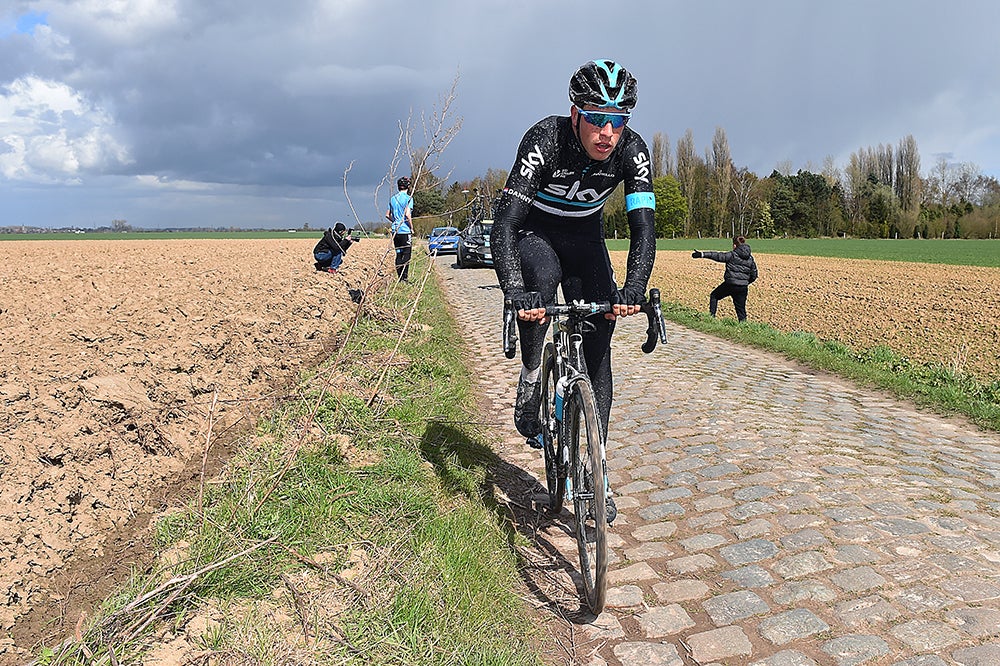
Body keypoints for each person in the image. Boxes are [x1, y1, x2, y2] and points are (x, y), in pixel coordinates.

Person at [492, 58, 656, 508]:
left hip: (585, 238)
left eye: (618, 121)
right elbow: (505, 226)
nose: (607, 132)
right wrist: (513, 289)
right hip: (536, 234)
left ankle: (593, 465)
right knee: (539, 284)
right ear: (575, 114)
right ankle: (530, 378)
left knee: (600, 340)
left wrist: (634, 287)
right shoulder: (544, 140)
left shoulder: (632, 151)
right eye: (598, 119)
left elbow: (643, 227)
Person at [691, 236, 758, 321]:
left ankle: (711, 319)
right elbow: (754, 275)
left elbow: (717, 256)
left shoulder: (732, 255)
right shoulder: (750, 258)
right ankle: (743, 327)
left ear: (734, 245)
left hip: (730, 284)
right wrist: (745, 282)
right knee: (741, 310)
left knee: (714, 296)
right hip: (742, 287)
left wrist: (701, 254)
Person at [386, 176, 414, 282]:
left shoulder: (392, 199)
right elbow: (407, 214)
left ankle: (399, 278)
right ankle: (405, 278)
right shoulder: (408, 198)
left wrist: (395, 221)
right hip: (405, 230)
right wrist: (411, 228)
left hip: (395, 230)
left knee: (398, 253)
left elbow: (387, 215)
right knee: (406, 254)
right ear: (408, 186)